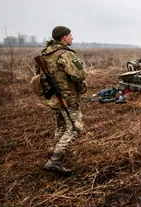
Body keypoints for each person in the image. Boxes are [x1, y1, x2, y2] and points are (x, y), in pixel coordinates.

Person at [37, 26, 87, 175]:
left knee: (61, 127)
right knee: (75, 127)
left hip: (54, 97)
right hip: (68, 98)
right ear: (64, 38)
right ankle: (55, 160)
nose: (72, 38)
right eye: (70, 35)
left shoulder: (45, 54)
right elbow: (79, 74)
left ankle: (56, 152)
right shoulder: (66, 54)